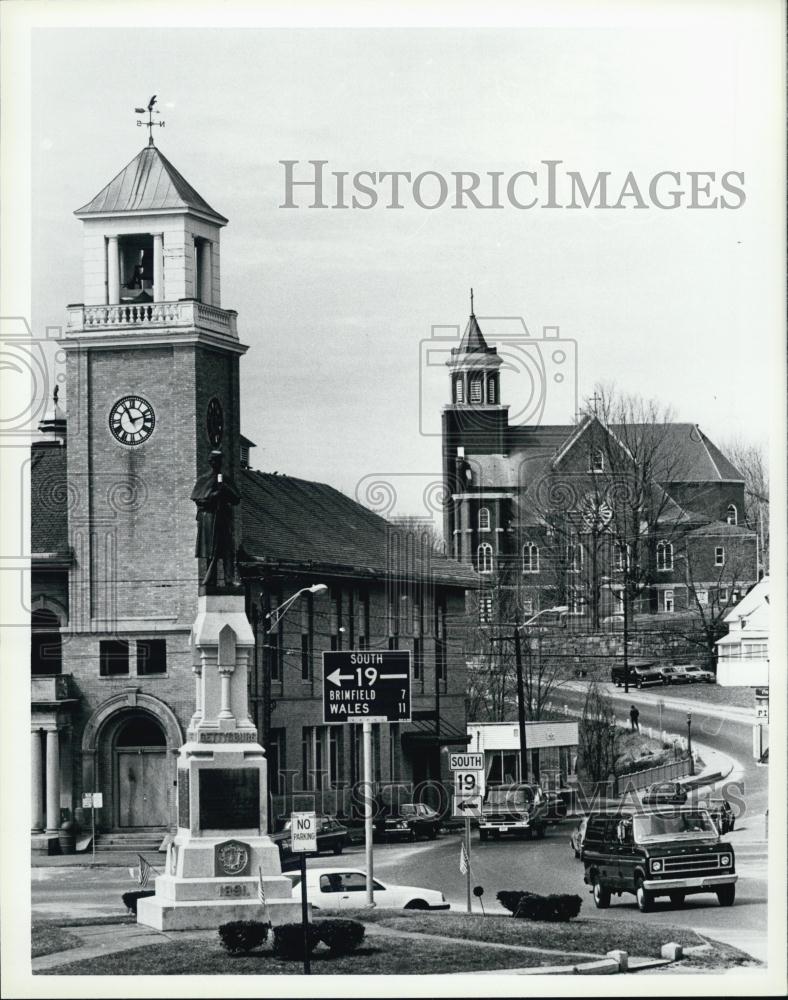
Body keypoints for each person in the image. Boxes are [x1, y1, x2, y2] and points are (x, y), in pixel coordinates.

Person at [191, 449, 241, 591]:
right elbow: (199, 500)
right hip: (209, 519)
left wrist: (225, 489)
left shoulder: (225, 480)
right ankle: (210, 580)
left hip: (223, 519)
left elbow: (236, 499)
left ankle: (229, 580)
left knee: (227, 550)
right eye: (214, 460)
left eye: (219, 461)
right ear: (210, 462)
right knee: (210, 552)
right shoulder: (203, 480)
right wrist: (214, 495)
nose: (216, 463)